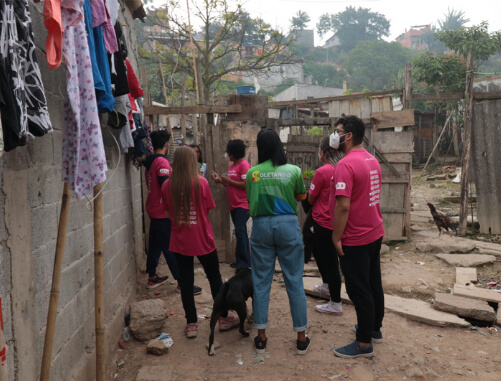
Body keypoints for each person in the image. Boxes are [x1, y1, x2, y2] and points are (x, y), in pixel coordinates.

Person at [162, 146, 239, 338]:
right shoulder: (201, 182)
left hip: (180, 240)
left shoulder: (167, 185)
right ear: (192, 162)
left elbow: (167, 213)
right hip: (202, 238)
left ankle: (191, 324)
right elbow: (208, 209)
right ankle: (222, 317)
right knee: (214, 278)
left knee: (186, 282)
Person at [246, 128, 310, 355]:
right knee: (294, 280)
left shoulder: (252, 173)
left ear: (259, 147)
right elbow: (302, 196)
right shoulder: (294, 170)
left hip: (261, 226)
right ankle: (301, 338)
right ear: (279, 146)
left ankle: (261, 337)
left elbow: (249, 199)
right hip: (288, 227)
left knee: (262, 282)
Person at [330, 115, 385, 359]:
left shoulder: (345, 164)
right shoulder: (372, 159)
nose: (335, 135)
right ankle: (373, 329)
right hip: (374, 232)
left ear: (348, 136)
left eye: (338, 131)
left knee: (358, 288)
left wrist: (336, 237)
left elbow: (343, 207)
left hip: (356, 237)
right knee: (373, 283)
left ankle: (363, 343)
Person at [143, 130, 202, 295]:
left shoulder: (150, 162)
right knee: (170, 247)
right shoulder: (162, 163)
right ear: (167, 145)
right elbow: (166, 188)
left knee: (155, 243)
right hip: (162, 211)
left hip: (153, 208)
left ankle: (152, 276)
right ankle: (182, 282)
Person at [308, 136, 344, 315]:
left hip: (323, 222)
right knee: (325, 258)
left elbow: (311, 198)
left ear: (323, 151)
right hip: (337, 222)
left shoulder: (322, 172)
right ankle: (326, 285)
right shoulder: (342, 168)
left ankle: (335, 303)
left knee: (329, 263)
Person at [211, 139, 252, 271]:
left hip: (243, 205)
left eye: (229, 153)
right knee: (240, 232)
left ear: (233, 154)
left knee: (240, 232)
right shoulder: (233, 166)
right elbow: (230, 184)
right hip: (234, 205)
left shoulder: (244, 166)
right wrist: (220, 180)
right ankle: (240, 261)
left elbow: (247, 185)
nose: (227, 155)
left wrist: (228, 180)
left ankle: (245, 263)